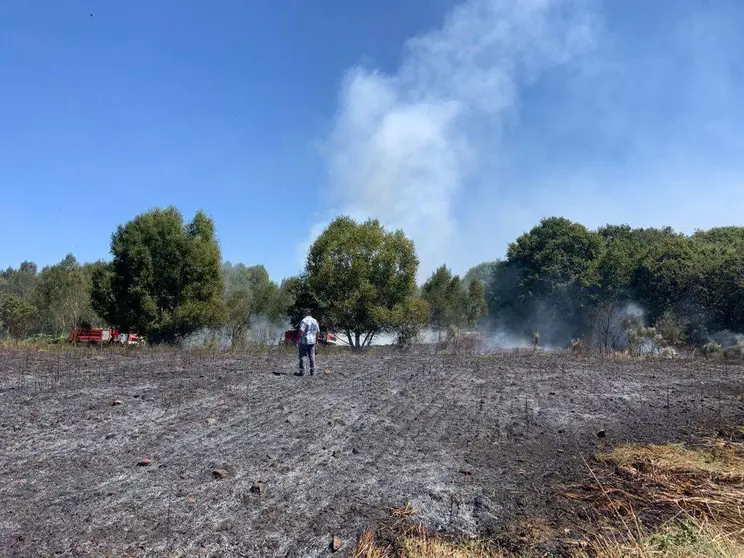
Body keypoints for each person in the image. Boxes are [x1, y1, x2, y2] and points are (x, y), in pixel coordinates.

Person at [296, 308, 319, 376]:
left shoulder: (304, 320)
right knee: (312, 356)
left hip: (304, 341)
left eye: (303, 313)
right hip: (312, 341)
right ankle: (313, 371)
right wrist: (316, 341)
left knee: (303, 356)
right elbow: (318, 332)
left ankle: (302, 371)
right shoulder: (315, 321)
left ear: (305, 314)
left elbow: (301, 331)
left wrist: (297, 339)